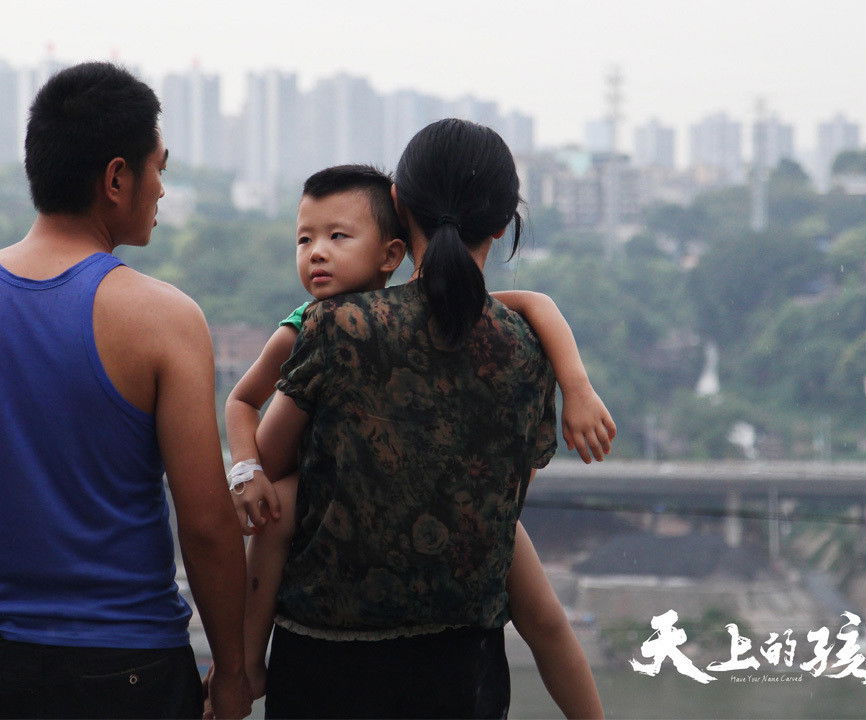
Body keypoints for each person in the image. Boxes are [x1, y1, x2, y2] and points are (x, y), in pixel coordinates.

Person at [0, 62, 251, 720]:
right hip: (129, 671)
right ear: (117, 178)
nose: (161, 188)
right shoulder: (165, 320)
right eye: (159, 167)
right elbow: (209, 527)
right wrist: (235, 671)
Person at [248, 119, 607, 718]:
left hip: (327, 672)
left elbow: (270, 462)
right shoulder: (526, 350)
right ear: (502, 224)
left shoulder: (342, 328)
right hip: (463, 674)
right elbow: (501, 506)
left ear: (398, 204)